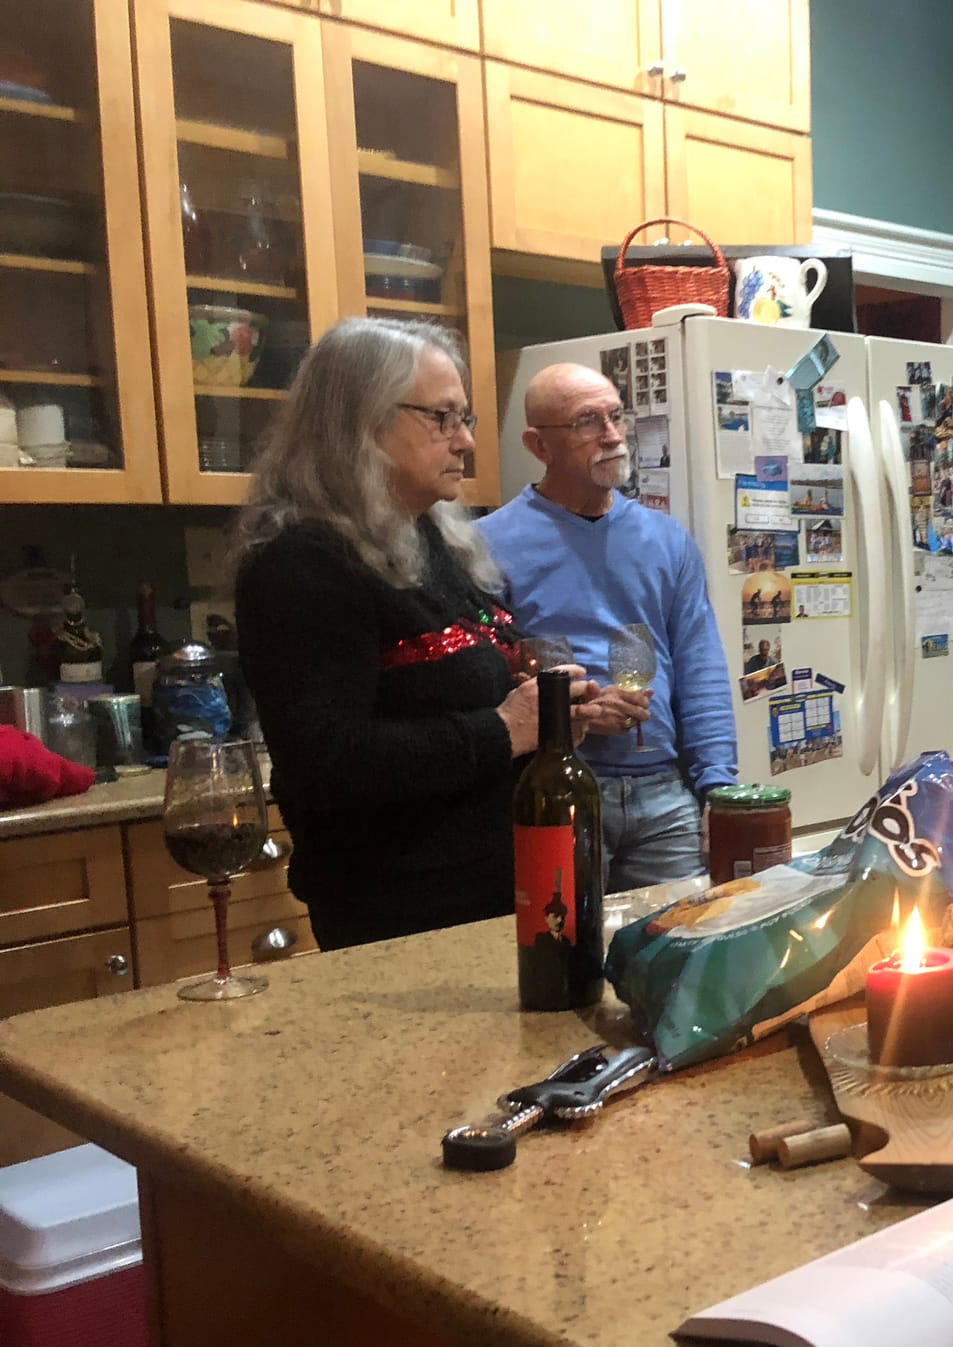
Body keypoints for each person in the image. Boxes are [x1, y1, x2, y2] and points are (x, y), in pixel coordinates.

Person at [234, 320, 627, 950]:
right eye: (443, 418)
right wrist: (505, 729)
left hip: (494, 893)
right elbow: (324, 762)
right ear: (360, 421)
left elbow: (459, 698)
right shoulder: (300, 563)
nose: (466, 440)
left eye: (464, 418)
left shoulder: (430, 539)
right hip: (399, 916)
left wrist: (549, 717)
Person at [481, 362, 737, 891]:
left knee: (676, 935)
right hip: (557, 791)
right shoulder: (486, 545)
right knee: (565, 936)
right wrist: (574, 714)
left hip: (665, 795)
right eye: (587, 421)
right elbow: (481, 682)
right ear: (539, 445)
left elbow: (700, 668)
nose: (613, 435)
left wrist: (718, 787)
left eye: (616, 416)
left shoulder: (667, 540)